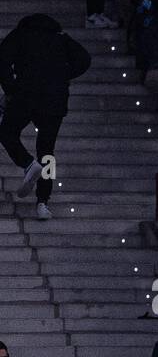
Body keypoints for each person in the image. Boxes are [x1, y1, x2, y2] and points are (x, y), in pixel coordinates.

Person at [0, 14, 91, 221]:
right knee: (47, 151)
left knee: (6, 132)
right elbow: (84, 59)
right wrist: (62, 75)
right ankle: (43, 202)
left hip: (26, 94)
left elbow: (2, 60)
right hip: (55, 100)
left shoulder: (21, 35)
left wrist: (10, 89)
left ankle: (27, 163)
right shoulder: (60, 37)